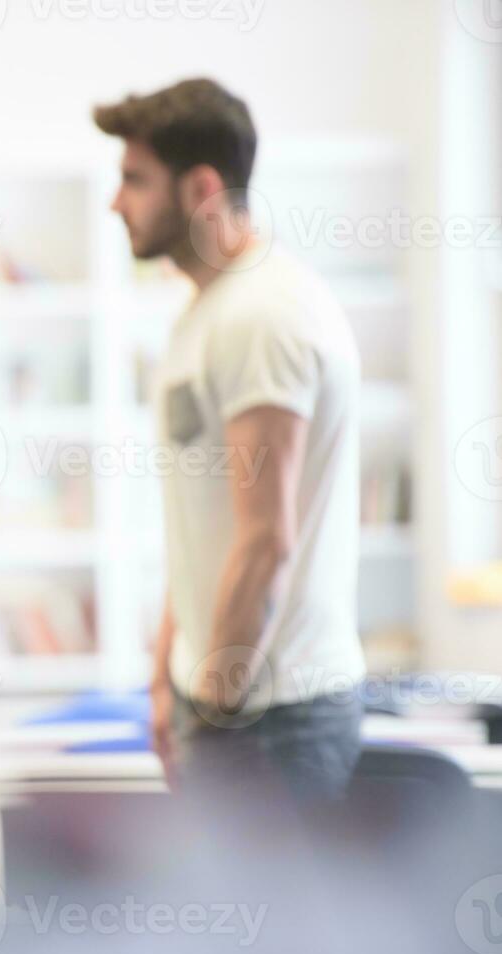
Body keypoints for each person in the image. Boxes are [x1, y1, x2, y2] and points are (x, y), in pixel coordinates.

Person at [94, 79, 366, 804]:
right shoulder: (208, 312)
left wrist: (210, 710)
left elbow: (263, 541)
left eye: (133, 180)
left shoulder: (262, 314)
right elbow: (201, 527)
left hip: (272, 722)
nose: (115, 202)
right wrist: (164, 681)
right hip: (226, 706)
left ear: (200, 188)